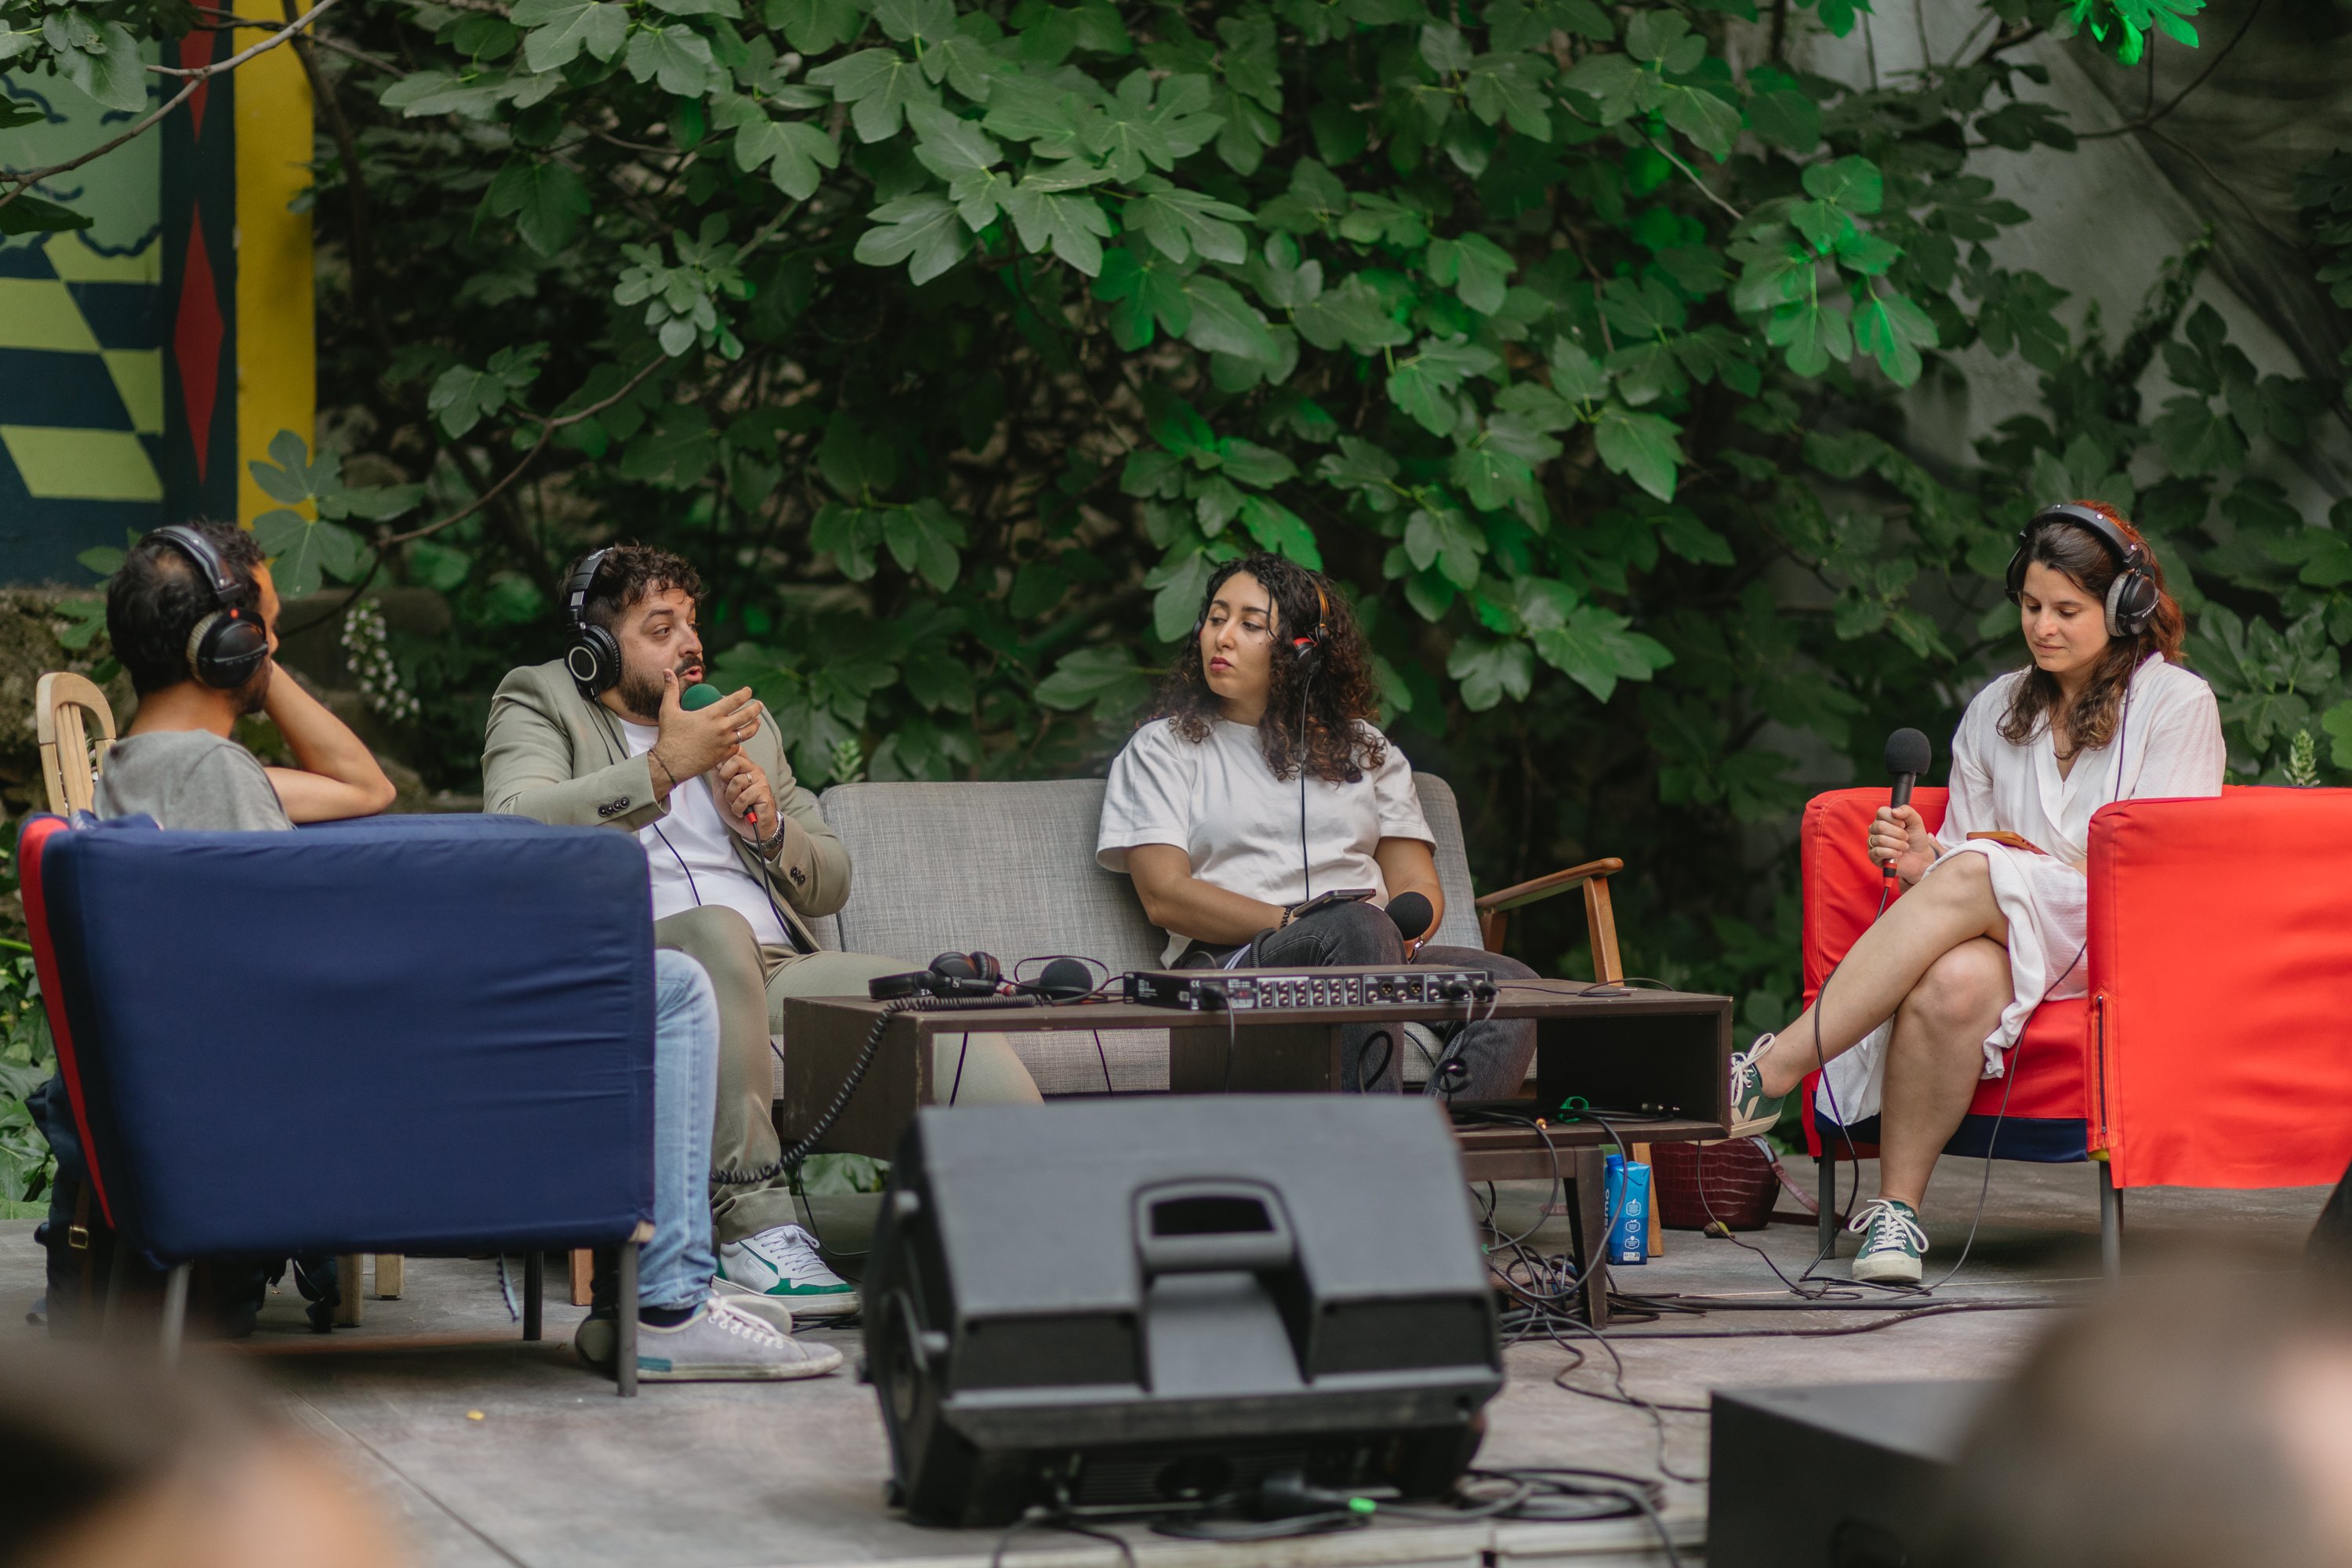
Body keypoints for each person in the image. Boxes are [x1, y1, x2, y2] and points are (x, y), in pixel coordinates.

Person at [71, 523, 832, 1381]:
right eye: (268, 632)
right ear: (229, 645)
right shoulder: (213, 779)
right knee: (674, 988)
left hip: (267, 1083)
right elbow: (299, 977)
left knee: (668, 981)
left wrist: (246, 660)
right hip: (352, 1087)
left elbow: (365, 790)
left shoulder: (142, 773)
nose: (276, 649)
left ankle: (655, 1300)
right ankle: (667, 1302)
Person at [481, 545, 1042, 1316]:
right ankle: (753, 1228)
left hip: (773, 965)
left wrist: (770, 827)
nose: (690, 644)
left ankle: (1037, 1231)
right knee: (716, 934)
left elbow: (833, 877)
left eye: (692, 623)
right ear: (598, 649)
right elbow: (512, 830)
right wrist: (662, 768)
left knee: (922, 1002)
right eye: (661, 628)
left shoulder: (744, 722)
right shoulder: (541, 698)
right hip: (628, 966)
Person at [1730, 502, 2223, 1284]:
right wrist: (1929, 858)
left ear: (2124, 607)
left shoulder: (2177, 704)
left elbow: (2163, 867)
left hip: (2119, 932)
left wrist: (1970, 867)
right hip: (2010, 934)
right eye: (2030, 606)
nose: (2042, 627)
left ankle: (1774, 1070)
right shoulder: (1997, 705)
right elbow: (1969, 849)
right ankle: (1896, 1214)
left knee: (1971, 876)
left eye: (2067, 610)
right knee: (1952, 981)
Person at [1094, 551, 1538, 1097]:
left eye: (1250, 625)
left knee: (1513, 985)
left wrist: (1399, 935)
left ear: (1302, 651)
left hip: (1370, 953)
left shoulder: (1366, 748)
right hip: (1235, 963)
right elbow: (1165, 895)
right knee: (1355, 927)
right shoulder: (1164, 747)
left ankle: (1430, 1136)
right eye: (1215, 618)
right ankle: (1372, 1138)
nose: (1222, 637)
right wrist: (1297, 923)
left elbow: (1415, 882)